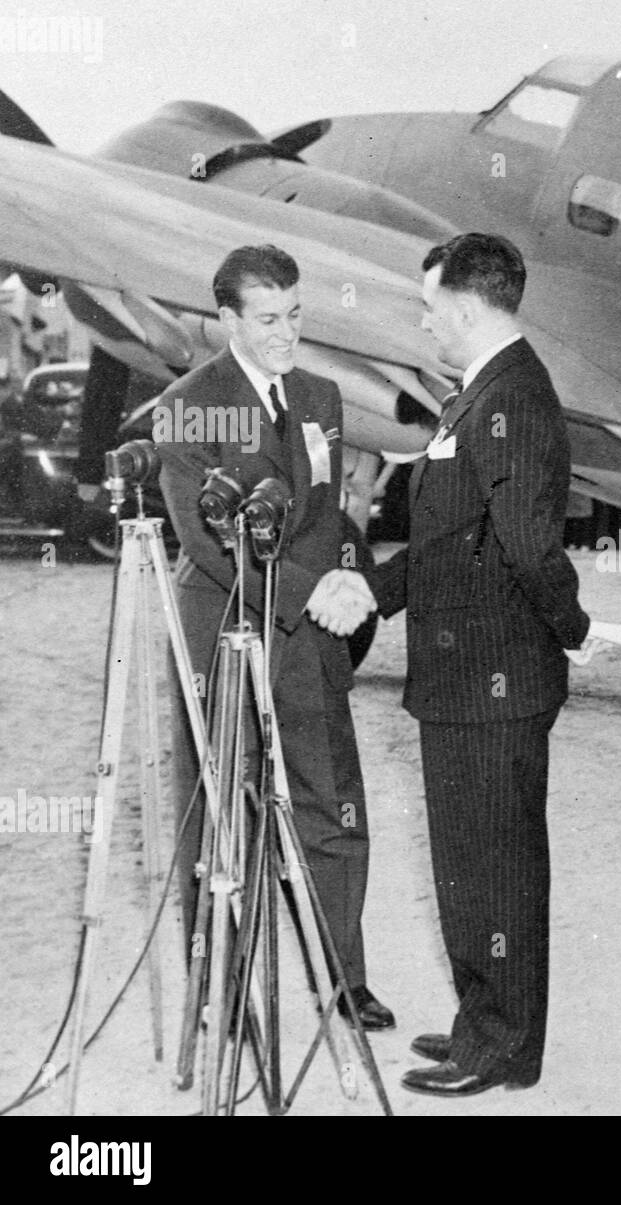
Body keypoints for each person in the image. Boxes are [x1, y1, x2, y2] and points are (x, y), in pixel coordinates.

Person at [364, 233, 592, 1097]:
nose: (425, 324)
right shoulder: (482, 395)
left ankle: (507, 1045)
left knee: (497, 864)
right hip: (462, 678)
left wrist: (570, 627)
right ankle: (480, 1023)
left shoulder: (515, 398)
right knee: (466, 864)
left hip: (498, 679)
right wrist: (374, 590)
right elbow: (449, 536)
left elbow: (532, 545)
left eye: (429, 309)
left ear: (464, 307)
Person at [156, 244, 393, 1031]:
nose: (287, 333)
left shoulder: (320, 394)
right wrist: (307, 588)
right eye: (267, 320)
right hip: (223, 626)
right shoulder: (195, 404)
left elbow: (328, 513)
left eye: (295, 315)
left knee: (333, 802)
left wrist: (342, 583)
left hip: (308, 636)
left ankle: (343, 977)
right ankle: (221, 988)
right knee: (222, 808)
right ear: (227, 318)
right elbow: (204, 539)